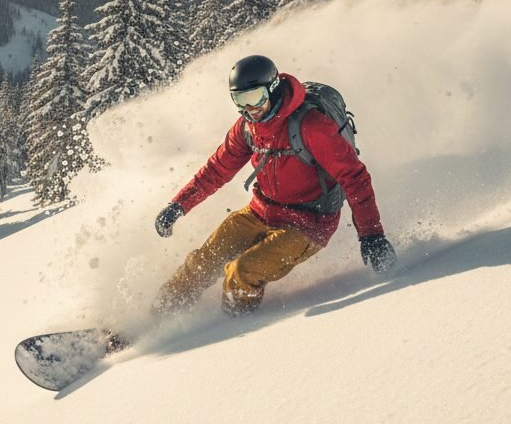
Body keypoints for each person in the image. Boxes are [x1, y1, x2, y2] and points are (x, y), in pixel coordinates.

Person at [153, 54, 395, 316]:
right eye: (240, 100)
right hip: (260, 211)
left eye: (255, 98)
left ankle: (231, 331)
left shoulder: (312, 126)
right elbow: (217, 170)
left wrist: (372, 235)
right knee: (200, 263)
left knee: (242, 271)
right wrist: (178, 205)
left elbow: (354, 178)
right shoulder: (247, 128)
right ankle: (156, 320)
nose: (249, 109)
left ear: (273, 89)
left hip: (307, 224)